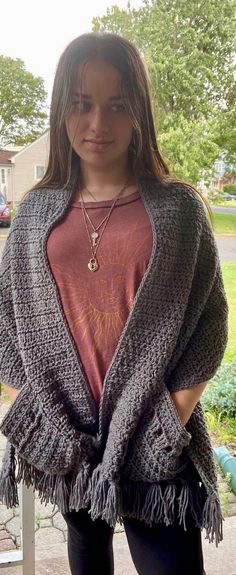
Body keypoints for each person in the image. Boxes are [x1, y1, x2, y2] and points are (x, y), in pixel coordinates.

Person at [0, 32, 228, 575]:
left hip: (153, 436)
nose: (97, 124)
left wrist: (170, 420)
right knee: (87, 561)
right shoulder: (34, 216)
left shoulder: (178, 211)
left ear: (138, 113)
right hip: (68, 436)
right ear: (62, 112)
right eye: (81, 104)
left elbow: (210, 326)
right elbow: (6, 322)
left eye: (115, 105)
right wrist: (35, 407)